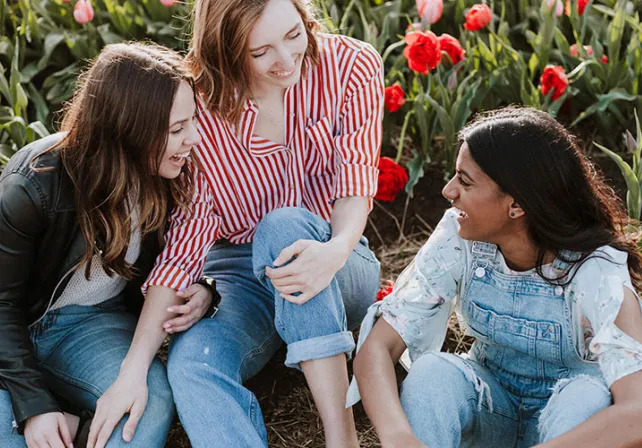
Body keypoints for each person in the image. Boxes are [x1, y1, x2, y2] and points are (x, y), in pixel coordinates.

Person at [87, 0, 384, 446]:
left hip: (336, 258)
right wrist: (134, 368)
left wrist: (335, 250)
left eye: (293, 35)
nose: (285, 61)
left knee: (284, 228)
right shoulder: (199, 108)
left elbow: (355, 181)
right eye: (260, 51)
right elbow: (185, 246)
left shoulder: (351, 65)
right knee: (193, 364)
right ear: (225, 51)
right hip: (244, 274)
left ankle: (342, 438)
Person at [350, 107, 642, 448]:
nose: (448, 190)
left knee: (585, 396)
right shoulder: (459, 239)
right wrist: (400, 438)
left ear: (516, 205)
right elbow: (376, 349)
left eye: (465, 181)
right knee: (432, 374)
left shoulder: (596, 270)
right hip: (492, 410)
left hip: (570, 432)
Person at [0, 42, 218, 448]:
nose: (194, 138)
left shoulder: (173, 175)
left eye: (191, 121)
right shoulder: (33, 186)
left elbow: (182, 252)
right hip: (10, 329)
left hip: (90, 324)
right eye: (176, 129)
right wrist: (33, 406)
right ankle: (68, 420)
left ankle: (77, 426)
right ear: (126, 131)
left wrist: (204, 287)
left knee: (146, 405)